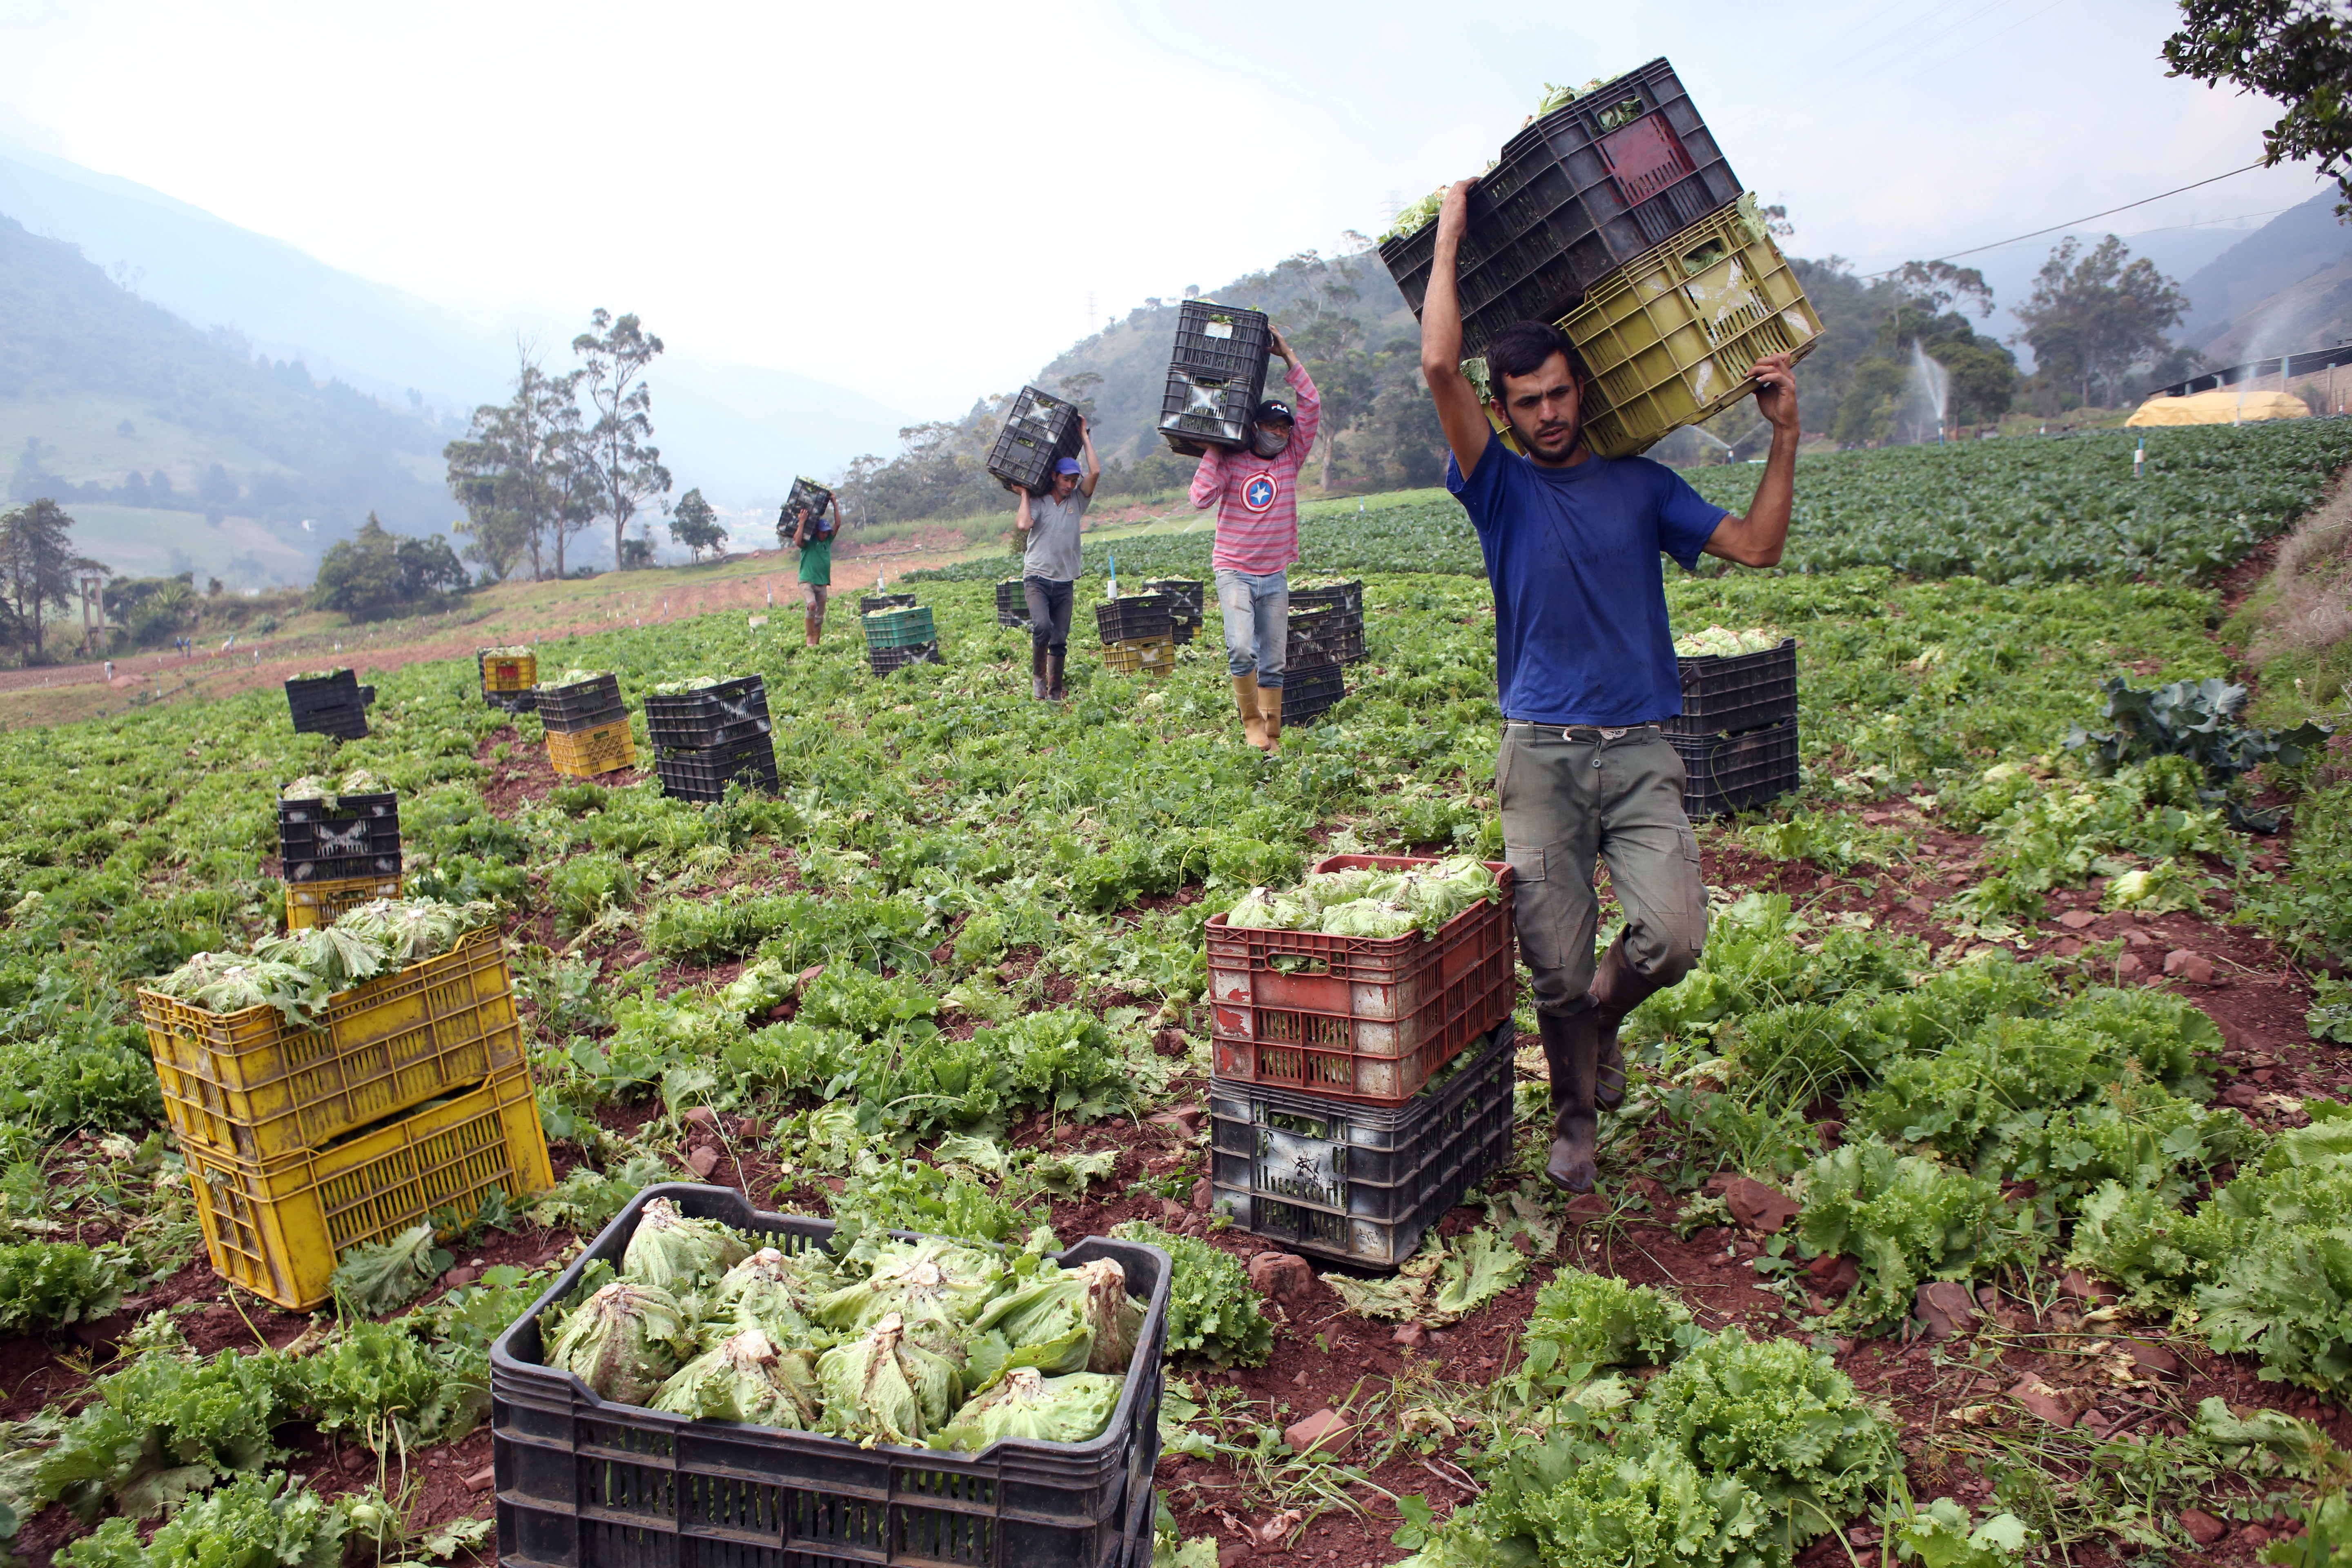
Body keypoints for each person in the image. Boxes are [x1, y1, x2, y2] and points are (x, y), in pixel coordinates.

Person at [1419, 176, 1802, 1195]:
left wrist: (1783, 433)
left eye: (1558, 393)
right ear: (1502, 410)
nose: (1546, 413)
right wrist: (1449, 235)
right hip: (1538, 753)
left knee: (1670, 938)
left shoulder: (1642, 485)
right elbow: (1432, 365)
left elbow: (1758, 546)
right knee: (1547, 961)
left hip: (1637, 749)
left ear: (1579, 388)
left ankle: (1599, 1018)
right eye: (1526, 401)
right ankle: (1575, 1111)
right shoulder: (1494, 486)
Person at [1188, 325, 1319, 752]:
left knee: (1275, 661)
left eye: (1285, 429)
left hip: (1275, 574)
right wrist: (1214, 448)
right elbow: (1198, 498)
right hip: (1235, 573)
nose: (1279, 434)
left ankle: (1273, 734)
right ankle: (1250, 723)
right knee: (1242, 648)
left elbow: (1312, 405)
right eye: (1272, 427)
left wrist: (1289, 355)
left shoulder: (1291, 459)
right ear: (1255, 426)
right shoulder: (1232, 460)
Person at [1015, 417, 1101, 701]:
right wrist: (1026, 493)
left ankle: (1053, 694)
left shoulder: (1078, 500)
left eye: (1074, 480)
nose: (1071, 484)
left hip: (1065, 581)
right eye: (1066, 479)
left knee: (1060, 639)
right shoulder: (1039, 503)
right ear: (1054, 477)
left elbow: (1096, 471)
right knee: (1042, 627)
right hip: (1037, 579)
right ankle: (1038, 677)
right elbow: (1024, 525)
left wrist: (1084, 437)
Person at [791, 492, 841, 646]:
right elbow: (797, 541)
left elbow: (838, 525)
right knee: (812, 605)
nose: (826, 533)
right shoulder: (810, 542)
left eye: (827, 531)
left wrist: (835, 504)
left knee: (820, 616)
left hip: (822, 582)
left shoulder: (828, 540)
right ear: (816, 531)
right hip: (807, 581)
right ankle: (809, 637)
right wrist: (802, 523)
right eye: (823, 531)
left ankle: (816, 643)